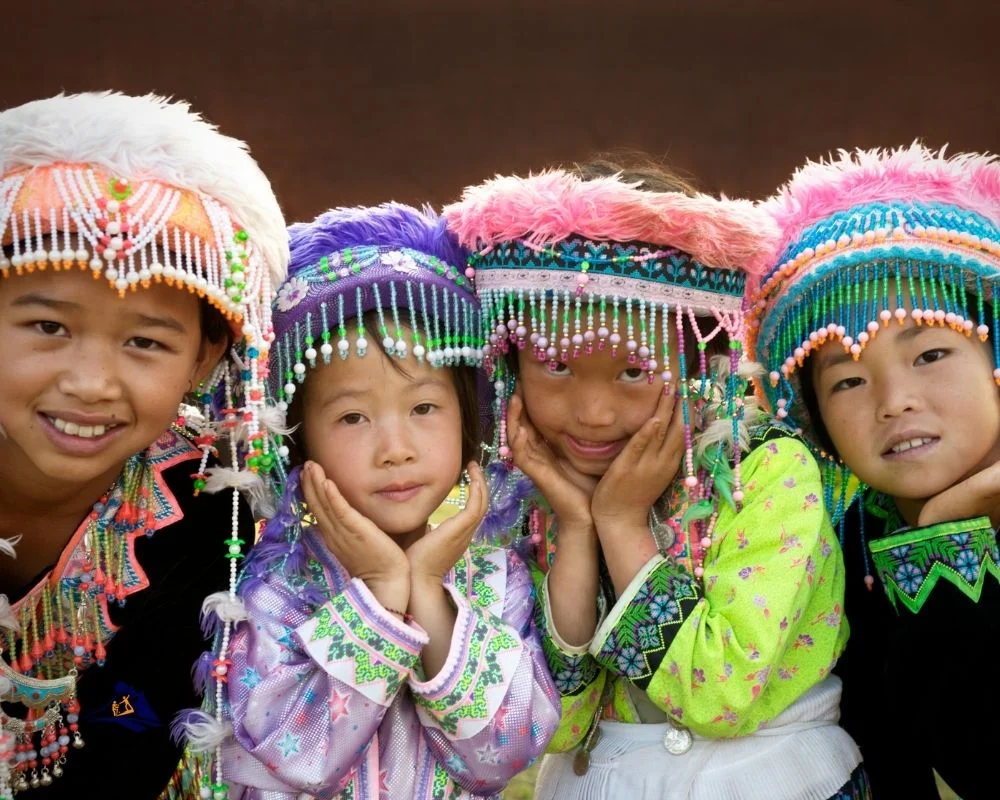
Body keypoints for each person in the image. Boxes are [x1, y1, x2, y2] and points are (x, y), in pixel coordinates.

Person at [443, 161, 866, 799]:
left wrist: (620, 523)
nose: (593, 413)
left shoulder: (768, 472)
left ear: (700, 360)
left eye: (634, 372)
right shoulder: (518, 497)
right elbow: (556, 725)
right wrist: (579, 530)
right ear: (511, 359)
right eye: (556, 364)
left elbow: (719, 694)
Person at [0, 92, 287, 799]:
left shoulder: (211, 515)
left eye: (144, 342)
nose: (92, 383)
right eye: (48, 327)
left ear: (205, 357)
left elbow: (145, 736)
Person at [221, 203, 560, 799]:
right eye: (353, 417)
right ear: (300, 439)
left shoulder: (496, 578)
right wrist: (380, 589)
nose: (395, 449)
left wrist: (428, 588)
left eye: (424, 409)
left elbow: (502, 756)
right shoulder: (277, 589)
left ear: (468, 417)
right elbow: (301, 756)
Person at [748, 144, 1000, 799]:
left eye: (932, 353)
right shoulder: (841, 538)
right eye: (849, 381)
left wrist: (943, 537)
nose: (894, 402)